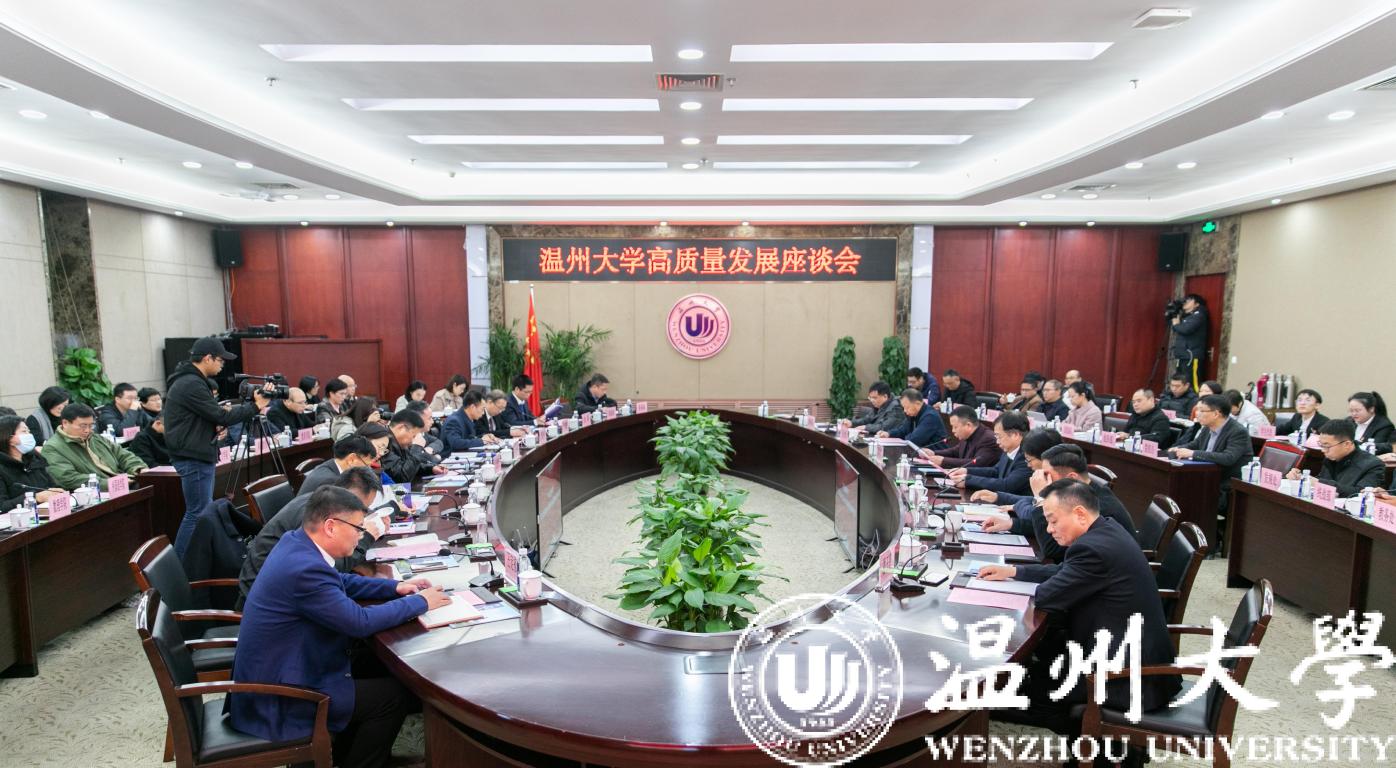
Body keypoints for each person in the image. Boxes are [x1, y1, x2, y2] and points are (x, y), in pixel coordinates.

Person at [229, 486, 450, 768]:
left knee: (379, 665)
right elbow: (359, 622)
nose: (361, 535)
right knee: (392, 697)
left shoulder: (296, 543)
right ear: (331, 527)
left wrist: (396, 587)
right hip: (282, 696)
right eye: (358, 528)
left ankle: (345, 754)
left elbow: (340, 581)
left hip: (290, 666)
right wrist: (420, 602)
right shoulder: (304, 569)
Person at [980, 480, 1181, 742]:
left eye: (1053, 521)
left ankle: (1104, 751)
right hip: (1134, 659)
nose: (1049, 529)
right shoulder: (1106, 530)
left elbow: (1047, 597)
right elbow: (1064, 572)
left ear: (1080, 514)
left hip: (1124, 679)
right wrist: (1014, 571)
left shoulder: (1092, 549)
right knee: (1036, 667)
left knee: (1024, 697)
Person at [164, 336, 271, 556]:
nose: (223, 365)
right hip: (193, 456)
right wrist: (256, 406)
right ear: (207, 358)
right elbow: (221, 415)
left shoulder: (191, 380)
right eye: (220, 360)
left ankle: (192, 560)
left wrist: (212, 427)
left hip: (196, 452)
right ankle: (179, 565)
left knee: (200, 511)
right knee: (197, 513)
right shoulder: (191, 383)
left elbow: (202, 418)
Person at [239, 467, 386, 606]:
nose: (361, 514)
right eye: (360, 507)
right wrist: (366, 537)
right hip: (267, 599)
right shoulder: (314, 517)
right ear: (346, 496)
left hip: (291, 588)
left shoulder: (322, 504)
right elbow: (331, 568)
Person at [979, 443, 1137, 564]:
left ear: (1072, 478)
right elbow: (1055, 530)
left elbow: (1053, 550)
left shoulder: (1096, 508)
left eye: (1047, 475)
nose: (1042, 479)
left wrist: (1041, 498)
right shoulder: (1081, 493)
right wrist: (1012, 524)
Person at [1170, 393, 1253, 541]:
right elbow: (1194, 445)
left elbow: (1228, 458)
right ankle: (1180, 536)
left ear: (1216, 414)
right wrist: (1178, 449)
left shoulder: (1237, 431)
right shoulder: (1207, 428)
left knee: (1187, 492)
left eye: (1202, 410)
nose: (1197, 413)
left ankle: (1203, 540)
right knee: (1177, 487)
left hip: (1225, 485)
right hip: (1205, 479)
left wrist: (1192, 453)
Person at [41, 403, 148, 490]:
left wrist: (139, 469)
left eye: (91, 425)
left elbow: (123, 455)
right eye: (83, 426)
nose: (87, 430)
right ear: (65, 423)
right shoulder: (52, 448)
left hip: (124, 482)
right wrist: (112, 483)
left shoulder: (95, 438)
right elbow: (68, 478)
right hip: (97, 493)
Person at [1287, 420, 1385, 497]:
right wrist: (1301, 478)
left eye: (1327, 446)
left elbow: (1360, 493)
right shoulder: (1331, 457)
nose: (1323, 450)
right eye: (1321, 445)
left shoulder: (1373, 465)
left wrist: (1318, 483)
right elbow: (1322, 479)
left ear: (1347, 444)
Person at [949, 412, 1031, 496]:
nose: (997, 442)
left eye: (999, 436)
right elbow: (996, 471)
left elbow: (1007, 486)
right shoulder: (1009, 449)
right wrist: (966, 470)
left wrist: (968, 480)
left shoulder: (1028, 456)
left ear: (1015, 435)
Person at [0, 416, 65, 510]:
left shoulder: (34, 459)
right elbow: (2, 506)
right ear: (10, 439)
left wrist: (56, 491)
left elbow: (51, 486)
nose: (29, 435)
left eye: (29, 431)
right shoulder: (2, 468)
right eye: (24, 431)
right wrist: (35, 497)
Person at [923, 405, 1002, 469]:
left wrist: (944, 461)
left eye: (955, 427)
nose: (953, 430)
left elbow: (976, 463)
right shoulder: (967, 435)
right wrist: (934, 453)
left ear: (968, 425)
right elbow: (955, 451)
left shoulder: (988, 439)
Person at [299, 436, 379, 498]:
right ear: (351, 459)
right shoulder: (331, 482)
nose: (369, 469)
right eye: (366, 465)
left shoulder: (331, 465)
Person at [381, 410, 446, 482]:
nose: (413, 440)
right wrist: (416, 448)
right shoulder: (383, 442)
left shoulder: (399, 441)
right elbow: (401, 477)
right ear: (402, 428)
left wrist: (430, 469)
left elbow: (407, 464)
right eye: (414, 435)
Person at [878, 388, 947, 449]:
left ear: (917, 403)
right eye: (903, 407)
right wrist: (888, 434)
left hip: (936, 454)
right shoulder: (913, 414)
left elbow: (915, 439)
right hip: (920, 452)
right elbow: (903, 430)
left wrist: (902, 440)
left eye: (907, 407)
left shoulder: (930, 416)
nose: (905, 411)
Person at [1169, 293, 1209, 388]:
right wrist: (1173, 313)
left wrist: (1176, 324)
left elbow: (1186, 329)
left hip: (1191, 356)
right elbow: (1176, 327)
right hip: (1182, 355)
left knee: (1192, 384)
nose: (1185, 301)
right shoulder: (1186, 316)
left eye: (1189, 299)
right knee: (1181, 384)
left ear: (1196, 304)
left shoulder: (1199, 316)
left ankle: (1196, 398)